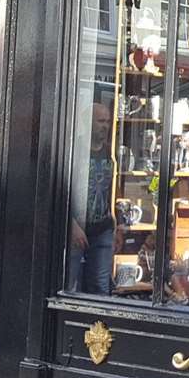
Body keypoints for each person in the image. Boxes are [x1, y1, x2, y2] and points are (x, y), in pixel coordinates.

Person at [70, 100, 117, 294]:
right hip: (75, 226)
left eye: (107, 121)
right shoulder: (74, 150)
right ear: (87, 122)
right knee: (69, 284)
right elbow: (60, 188)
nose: (105, 126)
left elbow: (115, 191)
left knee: (100, 286)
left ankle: (98, 325)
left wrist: (117, 226)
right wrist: (71, 224)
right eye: (100, 121)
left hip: (103, 229)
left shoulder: (111, 154)